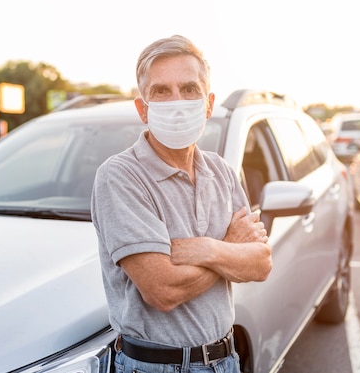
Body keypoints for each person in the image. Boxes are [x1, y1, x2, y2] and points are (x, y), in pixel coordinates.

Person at [91, 35, 272, 373]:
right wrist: (231, 249)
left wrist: (207, 248)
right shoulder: (120, 176)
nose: (177, 102)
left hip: (226, 361)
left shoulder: (222, 171)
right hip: (154, 367)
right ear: (142, 109)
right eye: (161, 91)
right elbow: (162, 291)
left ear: (208, 103)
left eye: (190, 89)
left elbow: (260, 263)